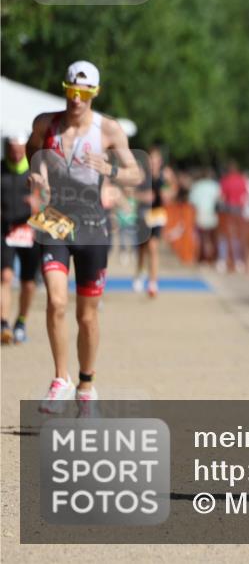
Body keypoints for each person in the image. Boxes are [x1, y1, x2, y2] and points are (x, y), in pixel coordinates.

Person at [26, 61, 143, 414]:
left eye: (84, 93)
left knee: (86, 317)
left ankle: (86, 384)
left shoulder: (108, 130)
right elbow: (33, 152)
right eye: (71, 91)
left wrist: (108, 169)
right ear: (65, 89)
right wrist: (38, 172)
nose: (76, 99)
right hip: (54, 220)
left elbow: (136, 174)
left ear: (94, 93)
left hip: (93, 225)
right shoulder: (45, 122)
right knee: (56, 302)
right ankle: (60, 379)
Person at [1, 133, 42, 344]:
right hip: (5, 231)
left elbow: (51, 198)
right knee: (5, 276)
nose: (16, 154)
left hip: (30, 233)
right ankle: (3, 324)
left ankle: (21, 321)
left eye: (20, 150)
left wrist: (38, 202)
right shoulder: (1, 168)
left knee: (28, 282)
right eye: (12, 150)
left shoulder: (35, 171)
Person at [134, 145, 175, 297]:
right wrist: (143, 196)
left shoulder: (166, 174)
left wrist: (168, 193)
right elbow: (130, 193)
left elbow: (173, 190)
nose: (154, 161)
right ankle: (139, 272)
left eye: (156, 159)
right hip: (142, 214)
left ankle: (152, 282)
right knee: (142, 249)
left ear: (160, 160)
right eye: (151, 158)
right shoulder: (141, 174)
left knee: (153, 247)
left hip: (157, 214)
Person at [218, 161, 249, 272]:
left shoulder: (225, 180)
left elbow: (221, 197)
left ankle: (223, 261)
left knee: (225, 235)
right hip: (239, 210)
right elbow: (246, 196)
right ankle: (238, 262)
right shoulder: (242, 180)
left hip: (228, 210)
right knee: (238, 236)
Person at [188, 168, 221, 264]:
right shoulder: (215, 186)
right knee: (212, 238)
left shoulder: (197, 186)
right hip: (212, 215)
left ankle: (202, 258)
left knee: (202, 238)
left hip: (200, 214)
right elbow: (220, 199)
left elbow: (191, 202)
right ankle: (213, 258)